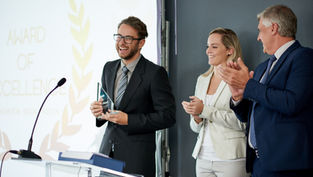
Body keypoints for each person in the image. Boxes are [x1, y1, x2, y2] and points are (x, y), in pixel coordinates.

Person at [216, 5, 313, 177]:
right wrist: (238, 96)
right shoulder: (261, 68)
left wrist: (249, 85)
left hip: (287, 165)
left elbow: (292, 102)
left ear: (274, 28)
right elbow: (251, 114)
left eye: (261, 31)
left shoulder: (304, 57)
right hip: (259, 164)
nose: (259, 38)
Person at [90, 16, 176, 177]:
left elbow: (167, 117)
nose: (121, 42)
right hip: (107, 154)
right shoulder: (108, 68)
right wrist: (99, 112)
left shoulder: (155, 73)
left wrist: (129, 120)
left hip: (136, 159)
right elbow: (110, 107)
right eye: (119, 36)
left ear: (141, 43)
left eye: (128, 38)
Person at [182, 27, 249, 177]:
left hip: (231, 159)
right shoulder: (202, 80)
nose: (208, 51)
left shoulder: (240, 78)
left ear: (229, 50)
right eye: (207, 46)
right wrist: (196, 116)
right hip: (203, 158)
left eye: (214, 46)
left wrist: (204, 110)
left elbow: (242, 123)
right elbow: (195, 128)